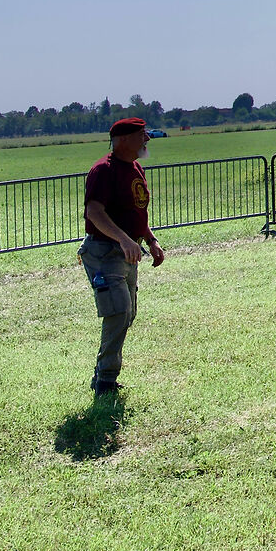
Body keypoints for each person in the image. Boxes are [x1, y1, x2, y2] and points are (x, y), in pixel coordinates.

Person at [81, 115, 165, 394]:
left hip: (128, 251)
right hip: (105, 252)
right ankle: (105, 380)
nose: (147, 139)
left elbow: (137, 212)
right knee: (119, 311)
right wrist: (123, 239)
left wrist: (150, 240)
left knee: (128, 313)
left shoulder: (136, 168)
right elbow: (94, 211)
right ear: (124, 139)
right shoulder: (103, 170)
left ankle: (103, 373)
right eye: (142, 134)